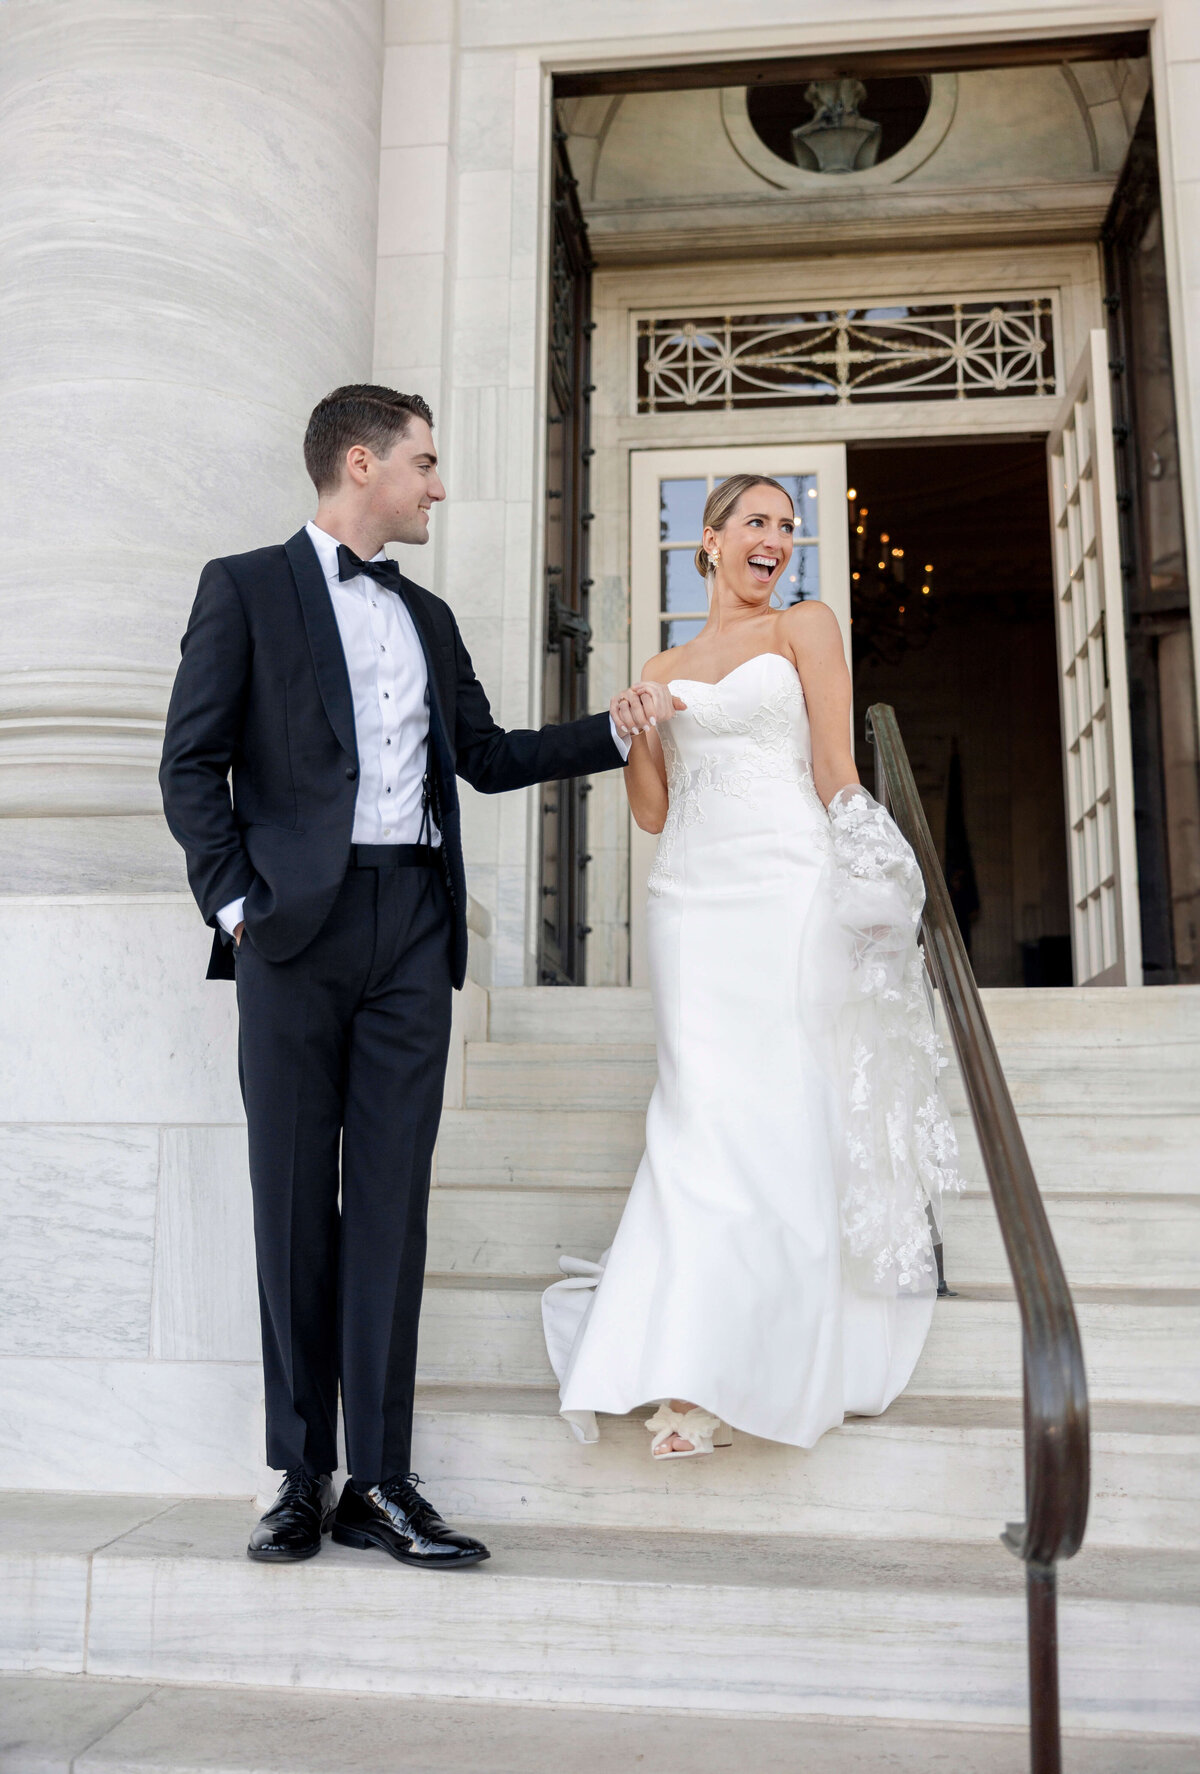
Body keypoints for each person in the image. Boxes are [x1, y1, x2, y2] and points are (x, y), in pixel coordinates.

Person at [160, 385, 662, 1566]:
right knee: (292, 1201)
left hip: (411, 927)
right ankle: (298, 1472)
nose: (438, 485)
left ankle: (378, 1484)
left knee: (389, 1205)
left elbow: (483, 757)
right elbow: (192, 765)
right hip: (291, 932)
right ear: (359, 461)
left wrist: (616, 729)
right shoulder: (242, 587)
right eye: (425, 463)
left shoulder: (426, 616)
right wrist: (241, 910)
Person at [543, 475, 961, 1458]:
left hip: (783, 891)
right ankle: (687, 1369)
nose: (777, 538)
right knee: (696, 1118)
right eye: (758, 522)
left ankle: (727, 1373)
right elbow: (652, 810)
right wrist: (638, 727)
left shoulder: (806, 627)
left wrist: (871, 865)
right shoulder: (663, 660)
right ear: (712, 538)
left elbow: (833, 765)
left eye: (788, 526)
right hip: (690, 900)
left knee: (771, 1109)